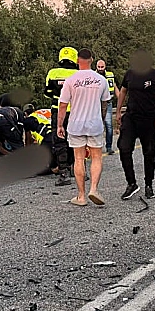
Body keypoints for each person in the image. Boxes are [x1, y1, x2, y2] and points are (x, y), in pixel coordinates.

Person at [57, 49, 111, 206]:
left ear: (77, 60)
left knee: (78, 159)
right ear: (92, 60)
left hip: (76, 124)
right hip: (94, 124)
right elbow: (105, 103)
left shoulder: (71, 80)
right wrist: (100, 120)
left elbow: (63, 105)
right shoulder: (101, 80)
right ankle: (94, 189)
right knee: (96, 157)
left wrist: (60, 124)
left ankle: (81, 196)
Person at [116, 49, 155, 200]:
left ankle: (148, 184)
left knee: (149, 153)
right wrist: (119, 111)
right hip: (131, 117)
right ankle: (131, 183)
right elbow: (123, 92)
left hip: (150, 118)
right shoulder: (130, 74)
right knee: (124, 148)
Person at [46, 47, 79, 186]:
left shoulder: (53, 73)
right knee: (76, 141)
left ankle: (63, 173)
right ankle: (76, 169)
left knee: (60, 142)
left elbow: (47, 92)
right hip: (77, 112)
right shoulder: (80, 74)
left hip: (58, 112)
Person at [96, 59, 119, 155]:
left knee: (109, 126)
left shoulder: (110, 75)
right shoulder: (93, 76)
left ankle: (109, 146)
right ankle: (96, 147)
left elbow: (114, 86)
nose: (101, 69)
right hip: (96, 104)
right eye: (99, 67)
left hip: (108, 102)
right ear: (96, 67)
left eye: (102, 67)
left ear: (105, 66)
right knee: (96, 126)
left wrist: (120, 99)